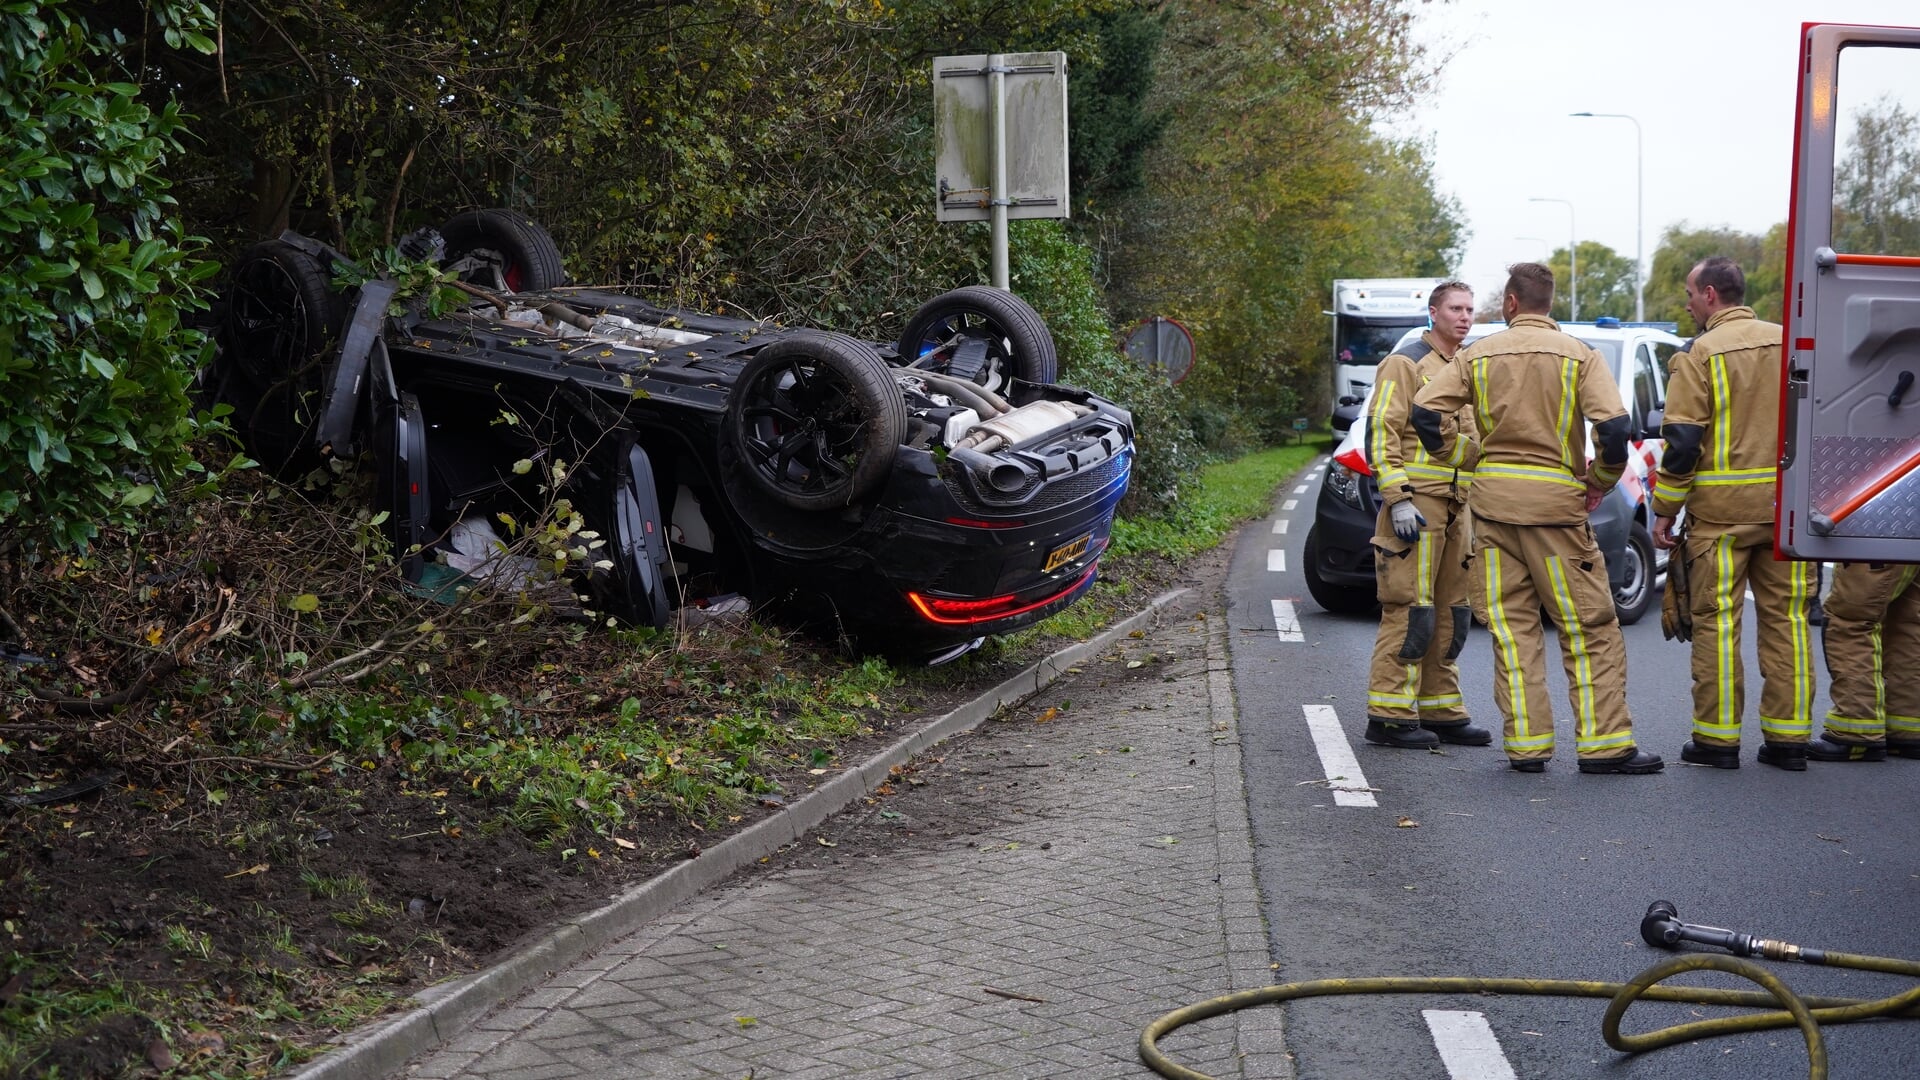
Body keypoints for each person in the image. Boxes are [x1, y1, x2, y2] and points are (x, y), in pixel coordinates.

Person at [1410, 262, 1663, 774]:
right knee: (1588, 627)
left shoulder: (1477, 355)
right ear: (1549, 303)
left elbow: (1424, 413)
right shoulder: (1580, 355)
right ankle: (1605, 746)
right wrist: (1600, 479)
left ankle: (1527, 747)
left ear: (1510, 303)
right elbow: (1614, 428)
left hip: (1493, 510)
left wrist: (1467, 456)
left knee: (1512, 629)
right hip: (1556, 514)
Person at [1651, 257, 1817, 770]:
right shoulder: (1792, 343)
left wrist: (1665, 509)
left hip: (1721, 518)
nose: (1687, 304)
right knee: (1788, 621)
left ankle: (1717, 743)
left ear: (1709, 295)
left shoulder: (1699, 353)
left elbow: (1683, 443)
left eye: (1689, 294)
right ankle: (1789, 742)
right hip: (1787, 515)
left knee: (1718, 625)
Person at [1360, 281, 1489, 750]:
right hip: (1417, 505)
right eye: (1455, 308)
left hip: (1458, 506)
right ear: (1433, 312)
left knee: (1453, 611)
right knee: (1410, 609)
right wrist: (1397, 498)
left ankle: (1441, 709)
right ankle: (1389, 716)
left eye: (1470, 309)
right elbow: (1382, 430)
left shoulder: (1466, 365)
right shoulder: (1406, 362)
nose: (1465, 316)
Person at [1807, 562, 1920, 760]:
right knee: (1907, 624)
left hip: (1876, 547)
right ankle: (1906, 731)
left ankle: (1856, 732)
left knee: (1851, 621)